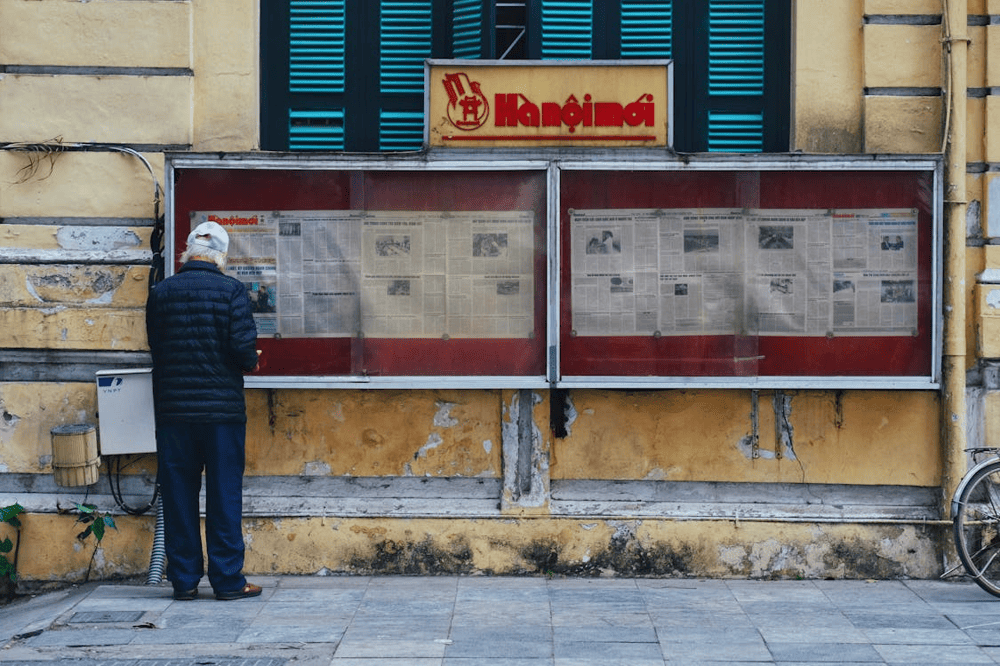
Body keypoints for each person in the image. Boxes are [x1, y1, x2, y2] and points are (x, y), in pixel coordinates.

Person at [145, 221, 262, 601]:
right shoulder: (232, 290)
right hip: (221, 414)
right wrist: (252, 360)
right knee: (223, 494)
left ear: (187, 253)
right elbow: (243, 352)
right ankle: (228, 581)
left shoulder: (161, 292)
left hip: (174, 413)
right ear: (221, 257)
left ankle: (184, 581)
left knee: (178, 495)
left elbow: (158, 348)